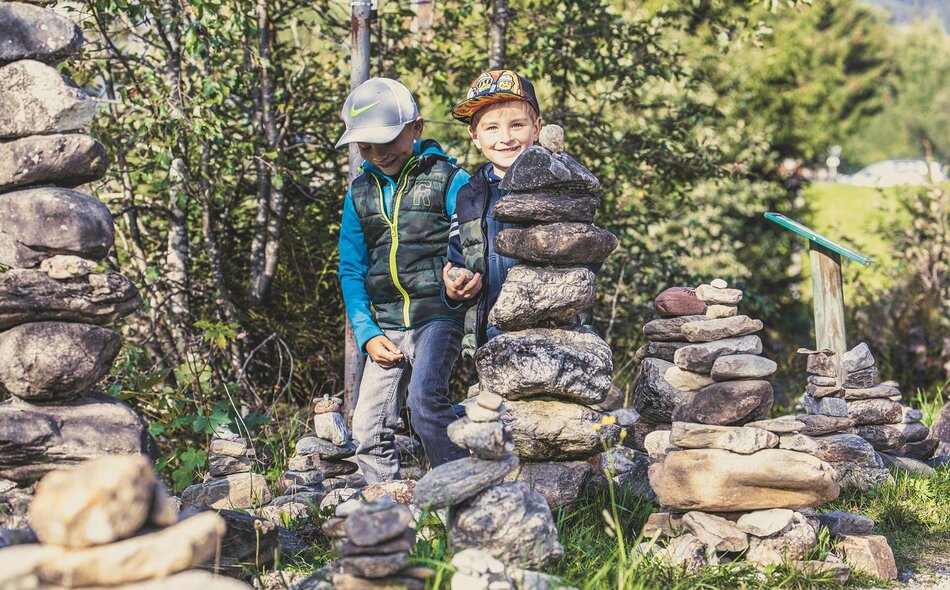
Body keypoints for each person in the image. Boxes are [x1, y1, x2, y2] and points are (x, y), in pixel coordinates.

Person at [336, 77, 470, 483]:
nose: (377, 154)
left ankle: (459, 491)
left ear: (416, 128)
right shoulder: (359, 192)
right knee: (367, 425)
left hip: (437, 316)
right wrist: (366, 331)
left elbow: (466, 236)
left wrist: (460, 271)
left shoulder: (449, 178)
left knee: (424, 402)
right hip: (387, 326)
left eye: (386, 140)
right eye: (365, 146)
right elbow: (351, 267)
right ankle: (387, 507)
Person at [442, 70, 543, 354]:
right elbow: (457, 257)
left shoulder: (558, 186)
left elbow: (585, 253)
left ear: (537, 128)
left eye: (517, 125)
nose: (506, 137)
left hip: (550, 326)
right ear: (475, 136)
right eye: (492, 128)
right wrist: (454, 290)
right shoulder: (468, 196)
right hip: (491, 330)